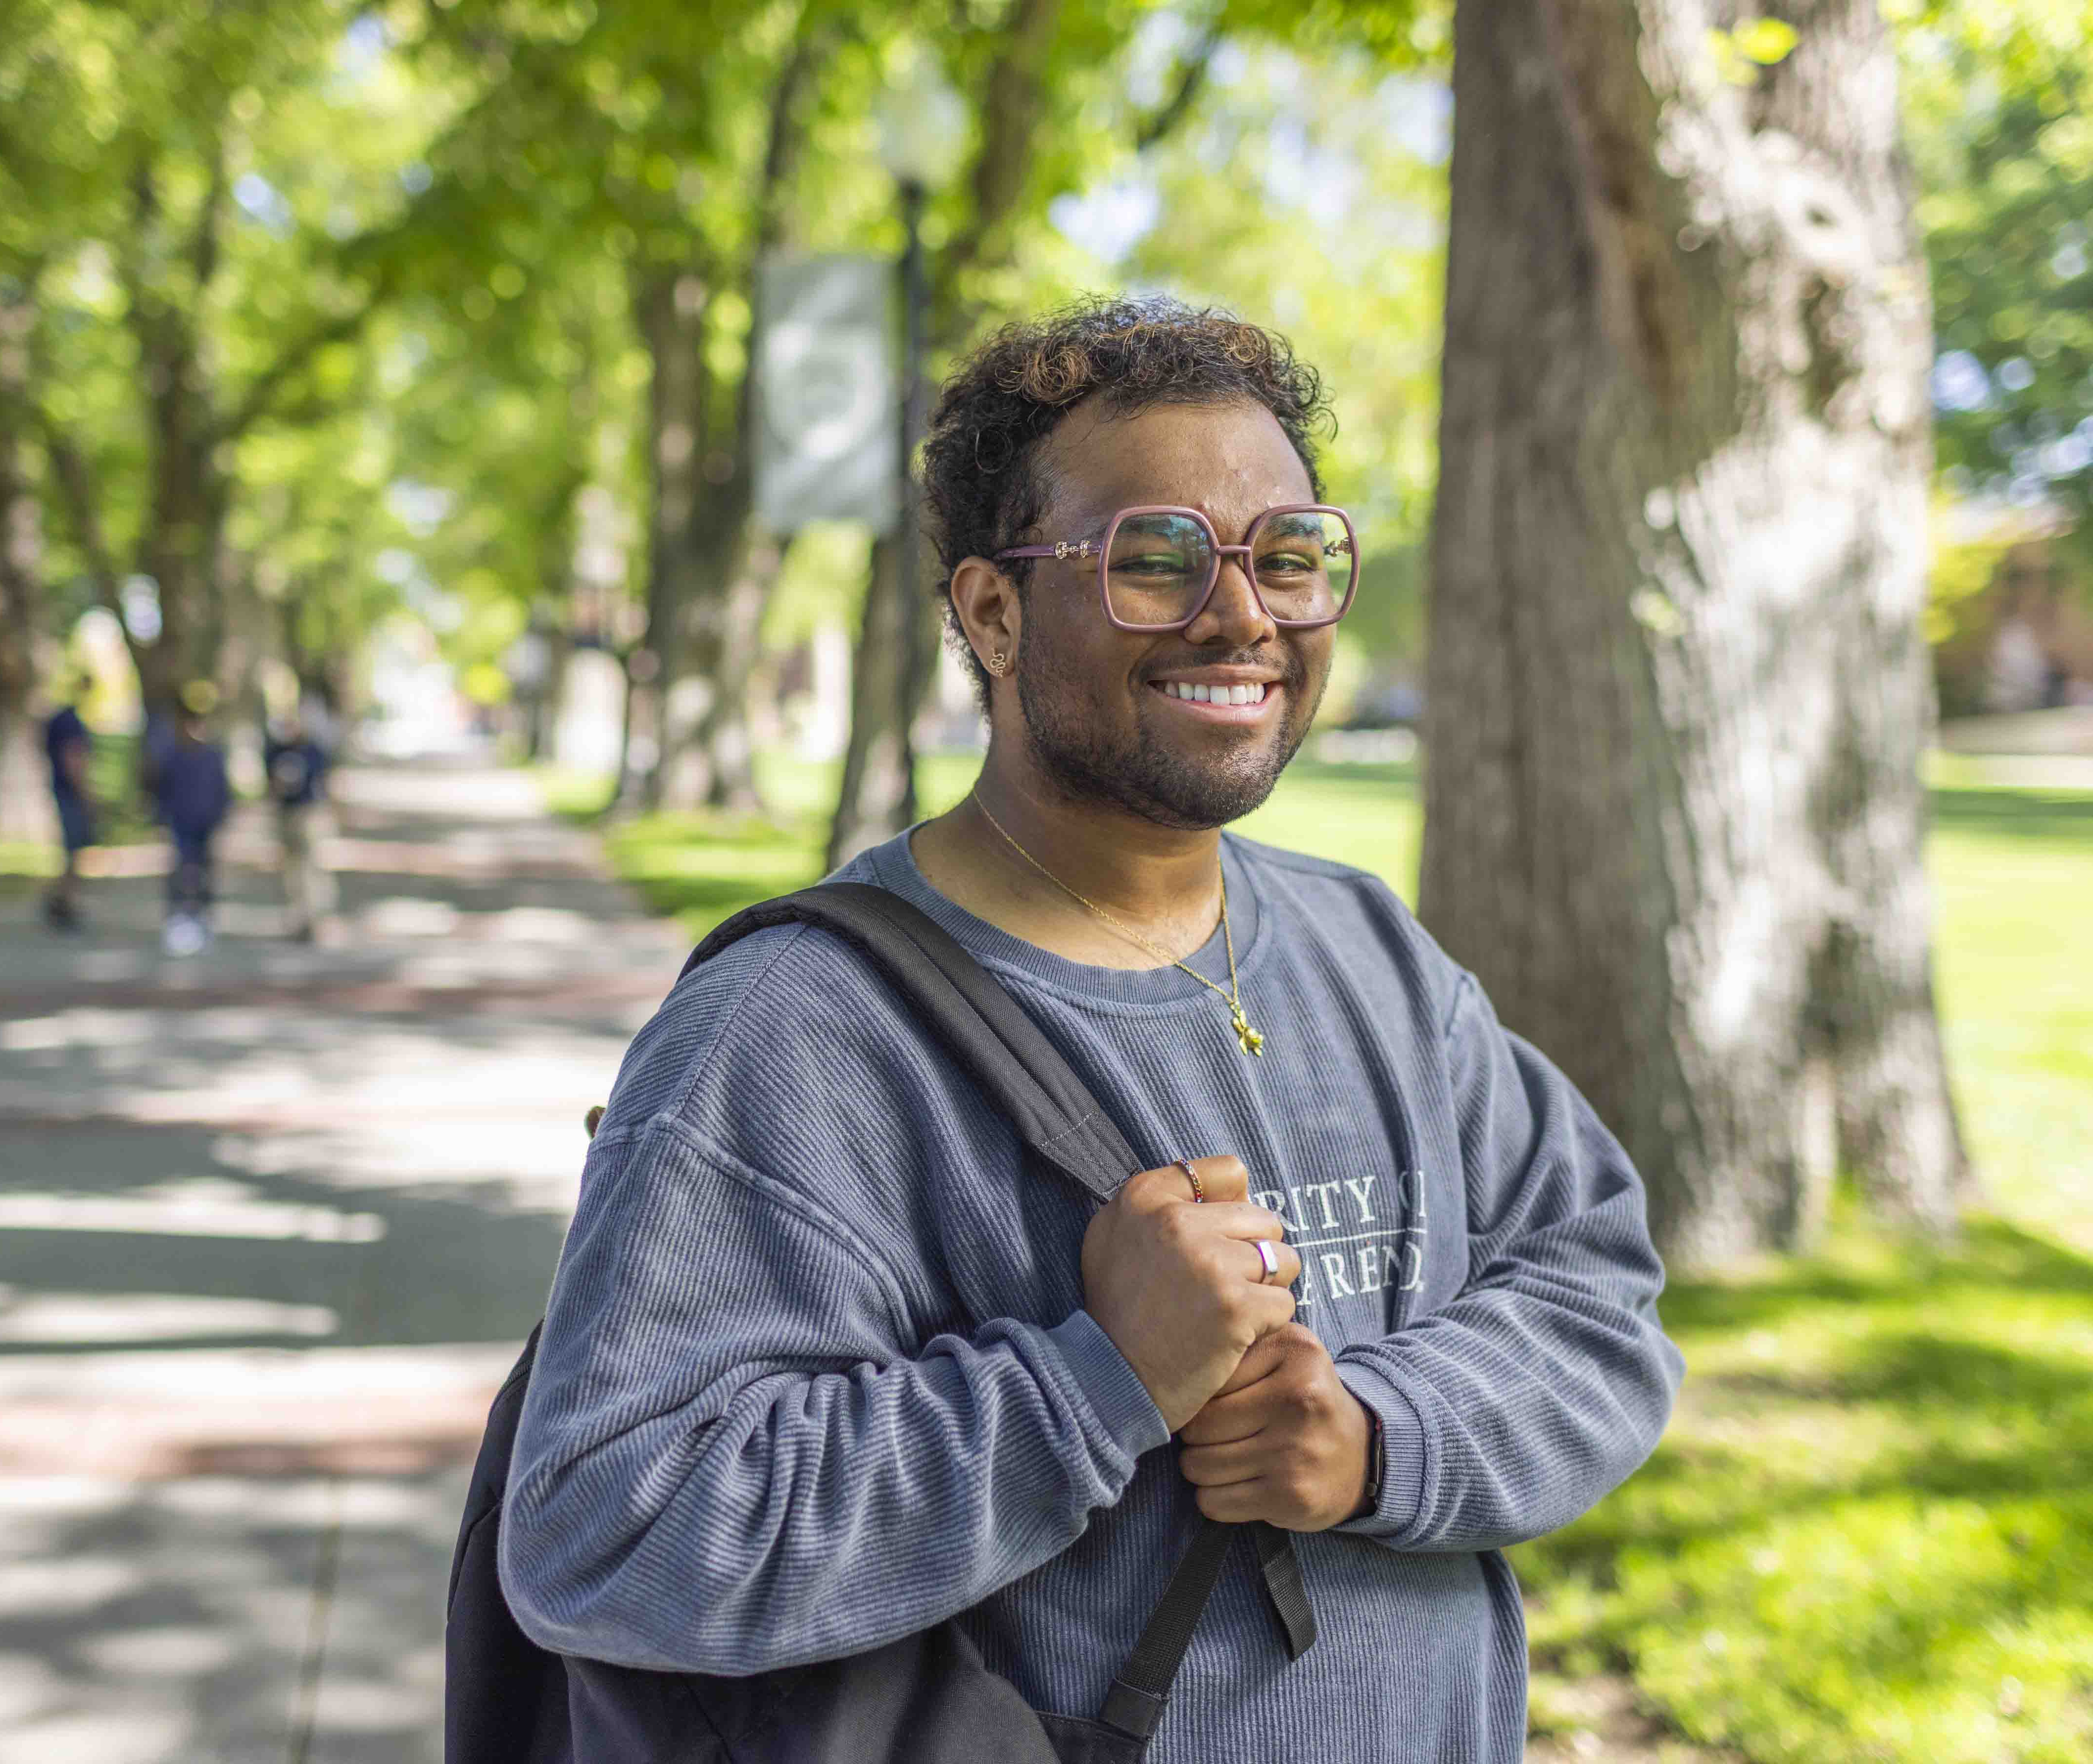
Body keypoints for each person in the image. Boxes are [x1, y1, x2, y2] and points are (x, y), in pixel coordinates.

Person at [498, 299, 1683, 1761]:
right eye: (1154, 559)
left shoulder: (1366, 950)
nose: (1241, 615)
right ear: (992, 613)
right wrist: (1091, 1382)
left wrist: (1374, 1441)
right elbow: (605, 1535)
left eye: (1287, 557)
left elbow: (1595, 1296)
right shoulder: (793, 1033)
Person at [153, 684, 230, 956]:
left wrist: (222, 815)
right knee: (181, 870)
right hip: (180, 822)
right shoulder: (173, 756)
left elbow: (223, 790)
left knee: (204, 871)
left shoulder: (212, 756)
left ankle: (203, 917)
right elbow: (160, 789)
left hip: (205, 822)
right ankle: (178, 918)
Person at [263, 705, 334, 941]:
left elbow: (322, 781)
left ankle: (314, 918)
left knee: (310, 867)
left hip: (308, 813)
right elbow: (271, 783)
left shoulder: (313, 751)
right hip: (286, 815)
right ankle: (297, 918)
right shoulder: (276, 750)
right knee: (291, 870)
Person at [42, 676, 95, 931]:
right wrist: (86, 794)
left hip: (61, 790)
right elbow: (73, 761)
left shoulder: (59, 720)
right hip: (70, 794)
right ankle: (62, 903)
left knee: (72, 853)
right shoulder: (71, 723)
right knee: (74, 853)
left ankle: (62, 902)